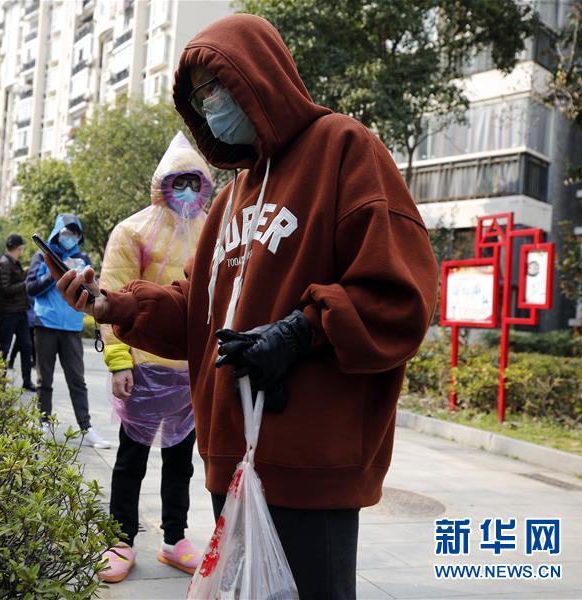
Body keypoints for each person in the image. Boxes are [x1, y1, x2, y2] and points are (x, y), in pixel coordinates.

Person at [50, 14, 438, 600]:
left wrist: (301, 332)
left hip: (310, 459)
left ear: (259, 77)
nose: (211, 106)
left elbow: (400, 293)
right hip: (232, 456)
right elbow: (196, 312)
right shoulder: (231, 200)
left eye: (217, 86)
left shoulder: (343, 148)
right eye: (199, 97)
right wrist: (112, 305)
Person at [97, 132, 211, 583]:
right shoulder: (133, 231)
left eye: (194, 181)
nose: (186, 190)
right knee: (131, 460)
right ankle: (120, 539)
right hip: (143, 369)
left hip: (190, 371)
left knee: (181, 462)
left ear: (205, 185)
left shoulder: (213, 231)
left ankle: (174, 539)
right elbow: (112, 297)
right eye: (178, 181)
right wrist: (119, 361)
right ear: (161, 185)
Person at [26, 215, 110, 449]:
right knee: (44, 379)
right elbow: (31, 288)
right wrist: (56, 271)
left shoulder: (83, 259)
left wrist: (78, 275)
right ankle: (44, 423)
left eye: (74, 233)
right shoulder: (42, 257)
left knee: (77, 380)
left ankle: (87, 428)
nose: (69, 237)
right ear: (57, 232)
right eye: (66, 232)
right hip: (46, 324)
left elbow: (92, 294)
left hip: (72, 327)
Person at [0, 234, 36, 392]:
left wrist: (25, 274)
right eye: (22, 248)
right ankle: (0, 383)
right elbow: (5, 289)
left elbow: (13, 281)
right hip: (7, 312)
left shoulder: (13, 262)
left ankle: (27, 381)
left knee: (26, 346)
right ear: (19, 248)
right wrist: (25, 284)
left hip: (20, 311)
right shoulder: (4, 263)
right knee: (4, 348)